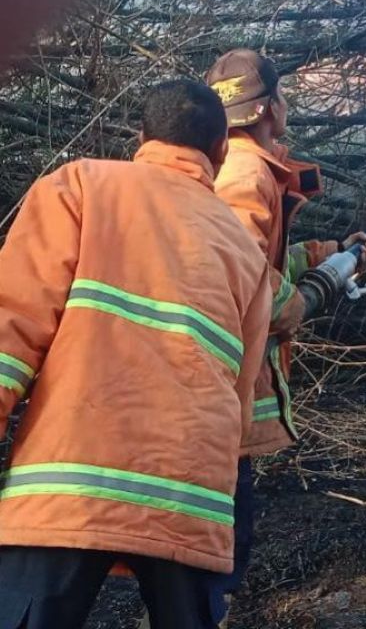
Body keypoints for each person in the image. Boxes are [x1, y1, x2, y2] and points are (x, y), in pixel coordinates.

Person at [0, 80, 273, 629]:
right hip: (191, 498)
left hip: (69, 483)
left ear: (140, 137)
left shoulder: (80, 186)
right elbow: (241, 399)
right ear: (221, 151)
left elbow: (12, 327)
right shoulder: (246, 251)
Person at [202, 49, 366, 625]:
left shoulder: (227, 162)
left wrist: (326, 257)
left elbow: (250, 257)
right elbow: (242, 280)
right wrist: (301, 300)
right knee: (221, 539)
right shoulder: (248, 173)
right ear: (273, 105)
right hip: (223, 391)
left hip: (208, 387)